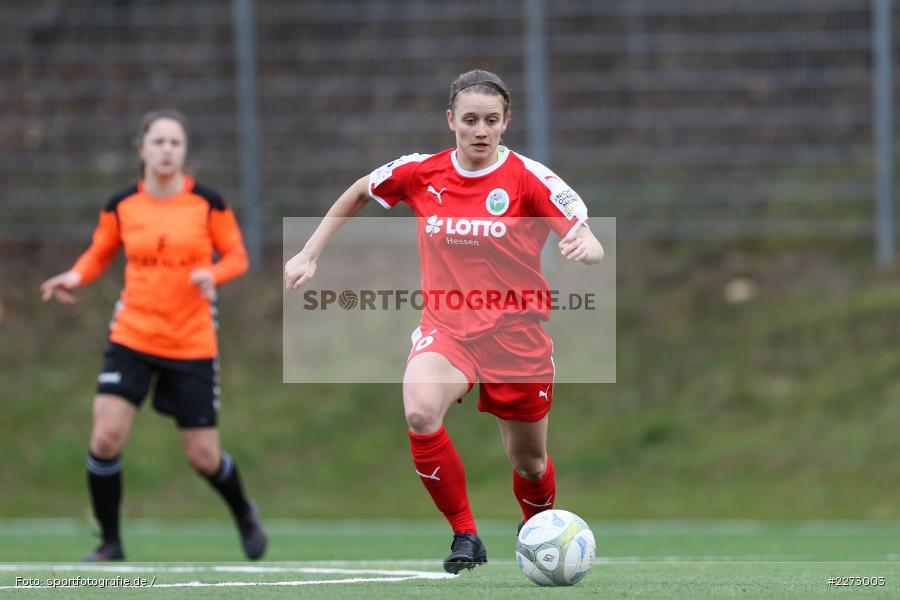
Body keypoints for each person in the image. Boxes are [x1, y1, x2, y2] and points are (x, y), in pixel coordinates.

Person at [284, 69, 603, 573]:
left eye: (492, 121)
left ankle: (538, 525)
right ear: (451, 120)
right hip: (448, 329)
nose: (481, 130)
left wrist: (587, 244)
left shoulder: (529, 179)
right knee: (419, 411)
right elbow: (361, 190)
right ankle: (465, 535)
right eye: (470, 119)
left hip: (517, 336)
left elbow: (586, 233)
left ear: (506, 123)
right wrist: (309, 252)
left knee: (531, 465)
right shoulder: (422, 172)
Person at [40, 109, 267, 562]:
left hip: (192, 342)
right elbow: (99, 252)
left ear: (184, 151)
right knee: (104, 439)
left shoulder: (207, 201)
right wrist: (75, 276)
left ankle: (243, 511)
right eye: (158, 142)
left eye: (175, 143)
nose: (167, 150)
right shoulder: (122, 204)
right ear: (141, 149)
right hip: (133, 336)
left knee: (203, 457)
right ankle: (110, 542)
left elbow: (237, 257)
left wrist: (213, 274)